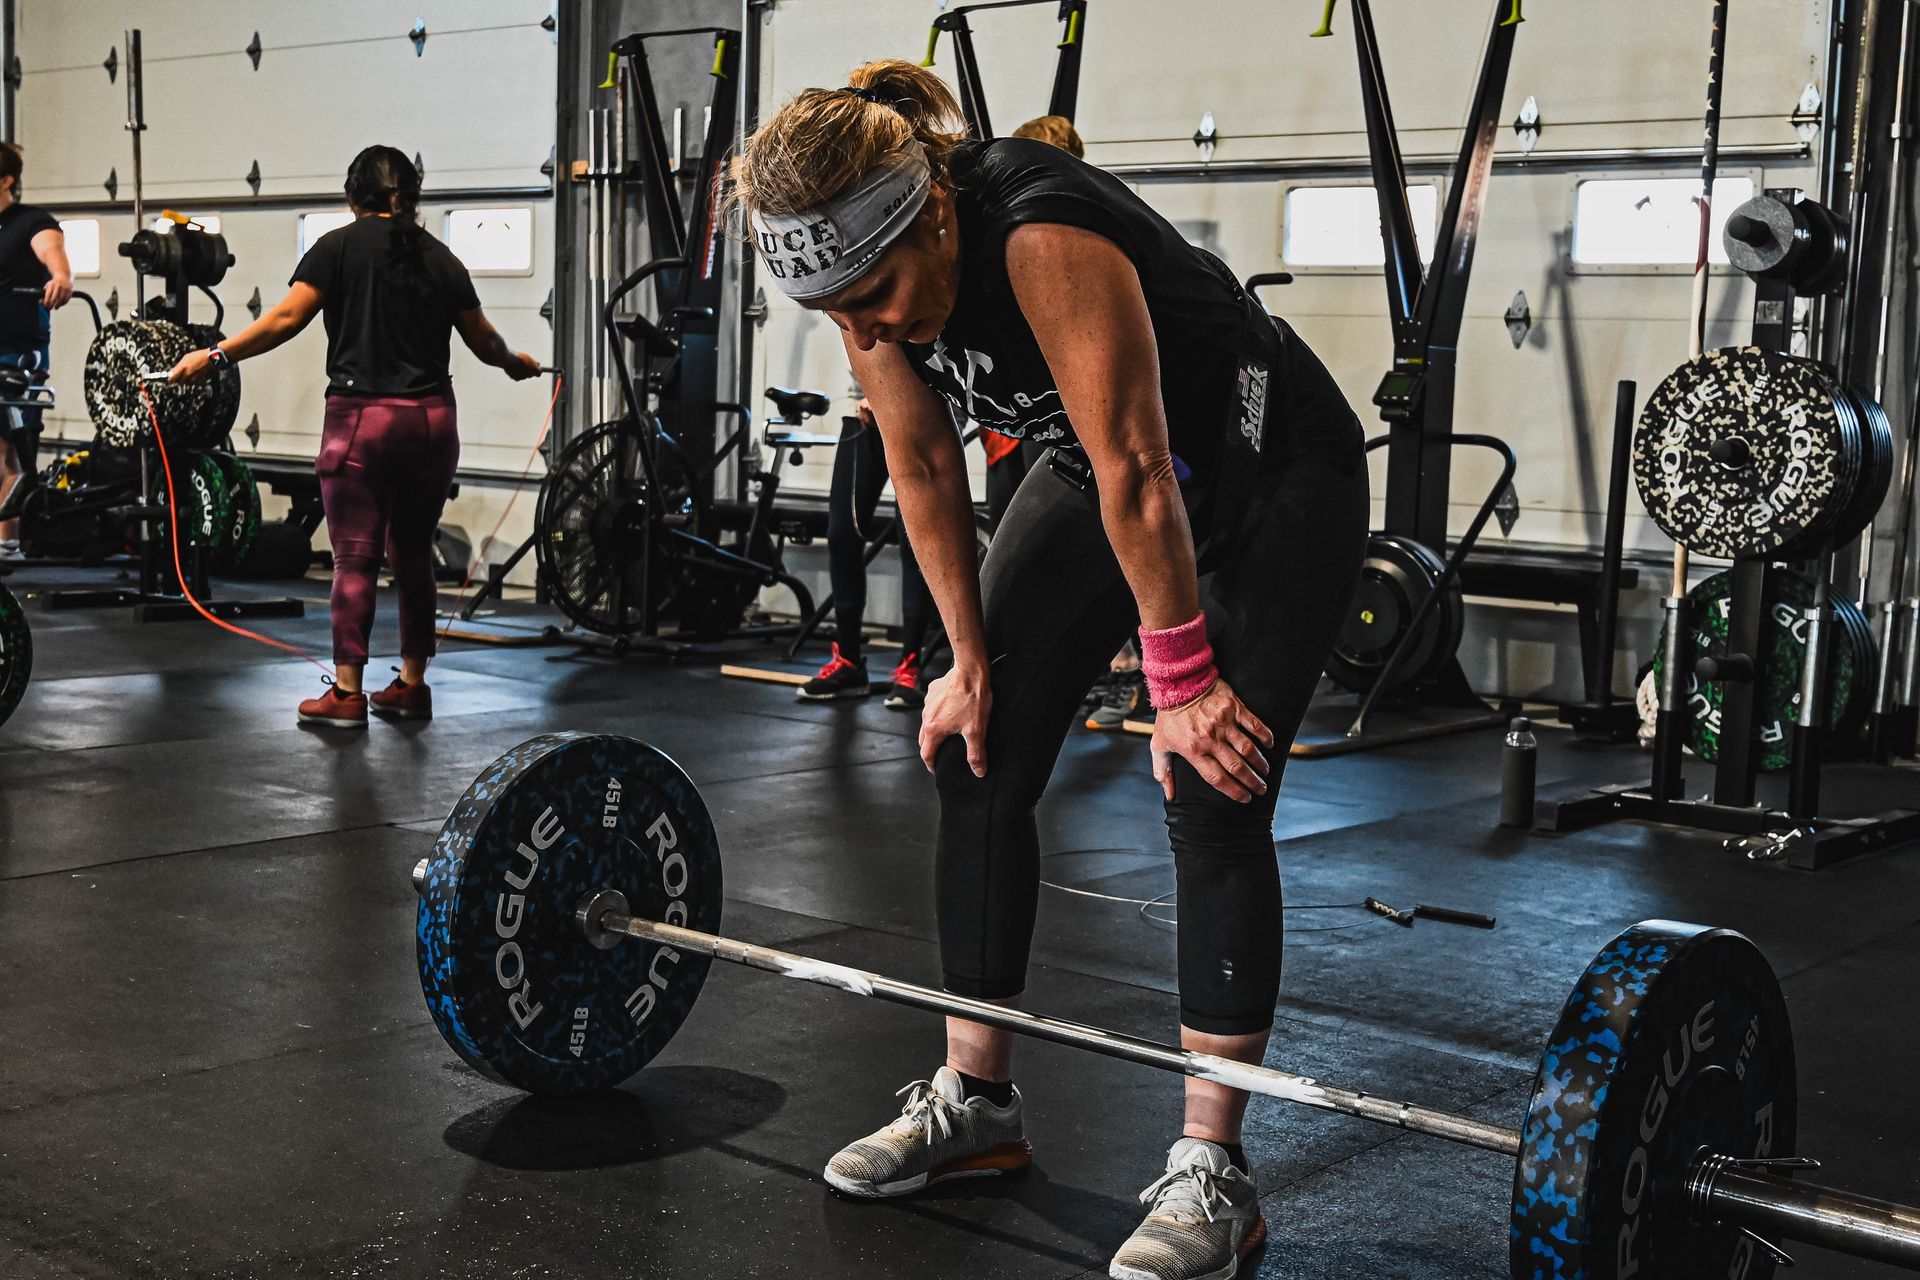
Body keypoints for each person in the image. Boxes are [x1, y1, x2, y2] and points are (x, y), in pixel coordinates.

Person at [733, 61, 1368, 1280]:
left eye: (873, 296)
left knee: (1213, 787)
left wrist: (1177, 683)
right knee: (974, 750)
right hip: (1104, 474)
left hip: (1273, 471)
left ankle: (1212, 1169)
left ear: (930, 213)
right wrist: (965, 662)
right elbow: (925, 471)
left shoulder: (1038, 229)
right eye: (835, 312)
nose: (862, 330)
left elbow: (1141, 460)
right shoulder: (872, 296)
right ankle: (976, 1104)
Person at [170, 146, 540, 728]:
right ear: (413, 197)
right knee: (414, 553)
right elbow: (485, 342)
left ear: (353, 196)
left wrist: (215, 355)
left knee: (354, 558)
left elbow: (286, 320)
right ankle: (412, 685)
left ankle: (346, 694)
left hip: (364, 421)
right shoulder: (441, 257)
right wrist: (515, 363)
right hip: (434, 423)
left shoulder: (336, 248)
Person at [797, 393, 934, 707]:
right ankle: (848, 662)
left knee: (916, 540)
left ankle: (910, 666)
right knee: (842, 533)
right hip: (864, 416)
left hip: (923, 416)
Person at [0, 142, 72, 561]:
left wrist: (61, 276)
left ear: (7, 180)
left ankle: (7, 542)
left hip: (16, 352)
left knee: (7, 448)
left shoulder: (32, 222)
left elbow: (53, 254)